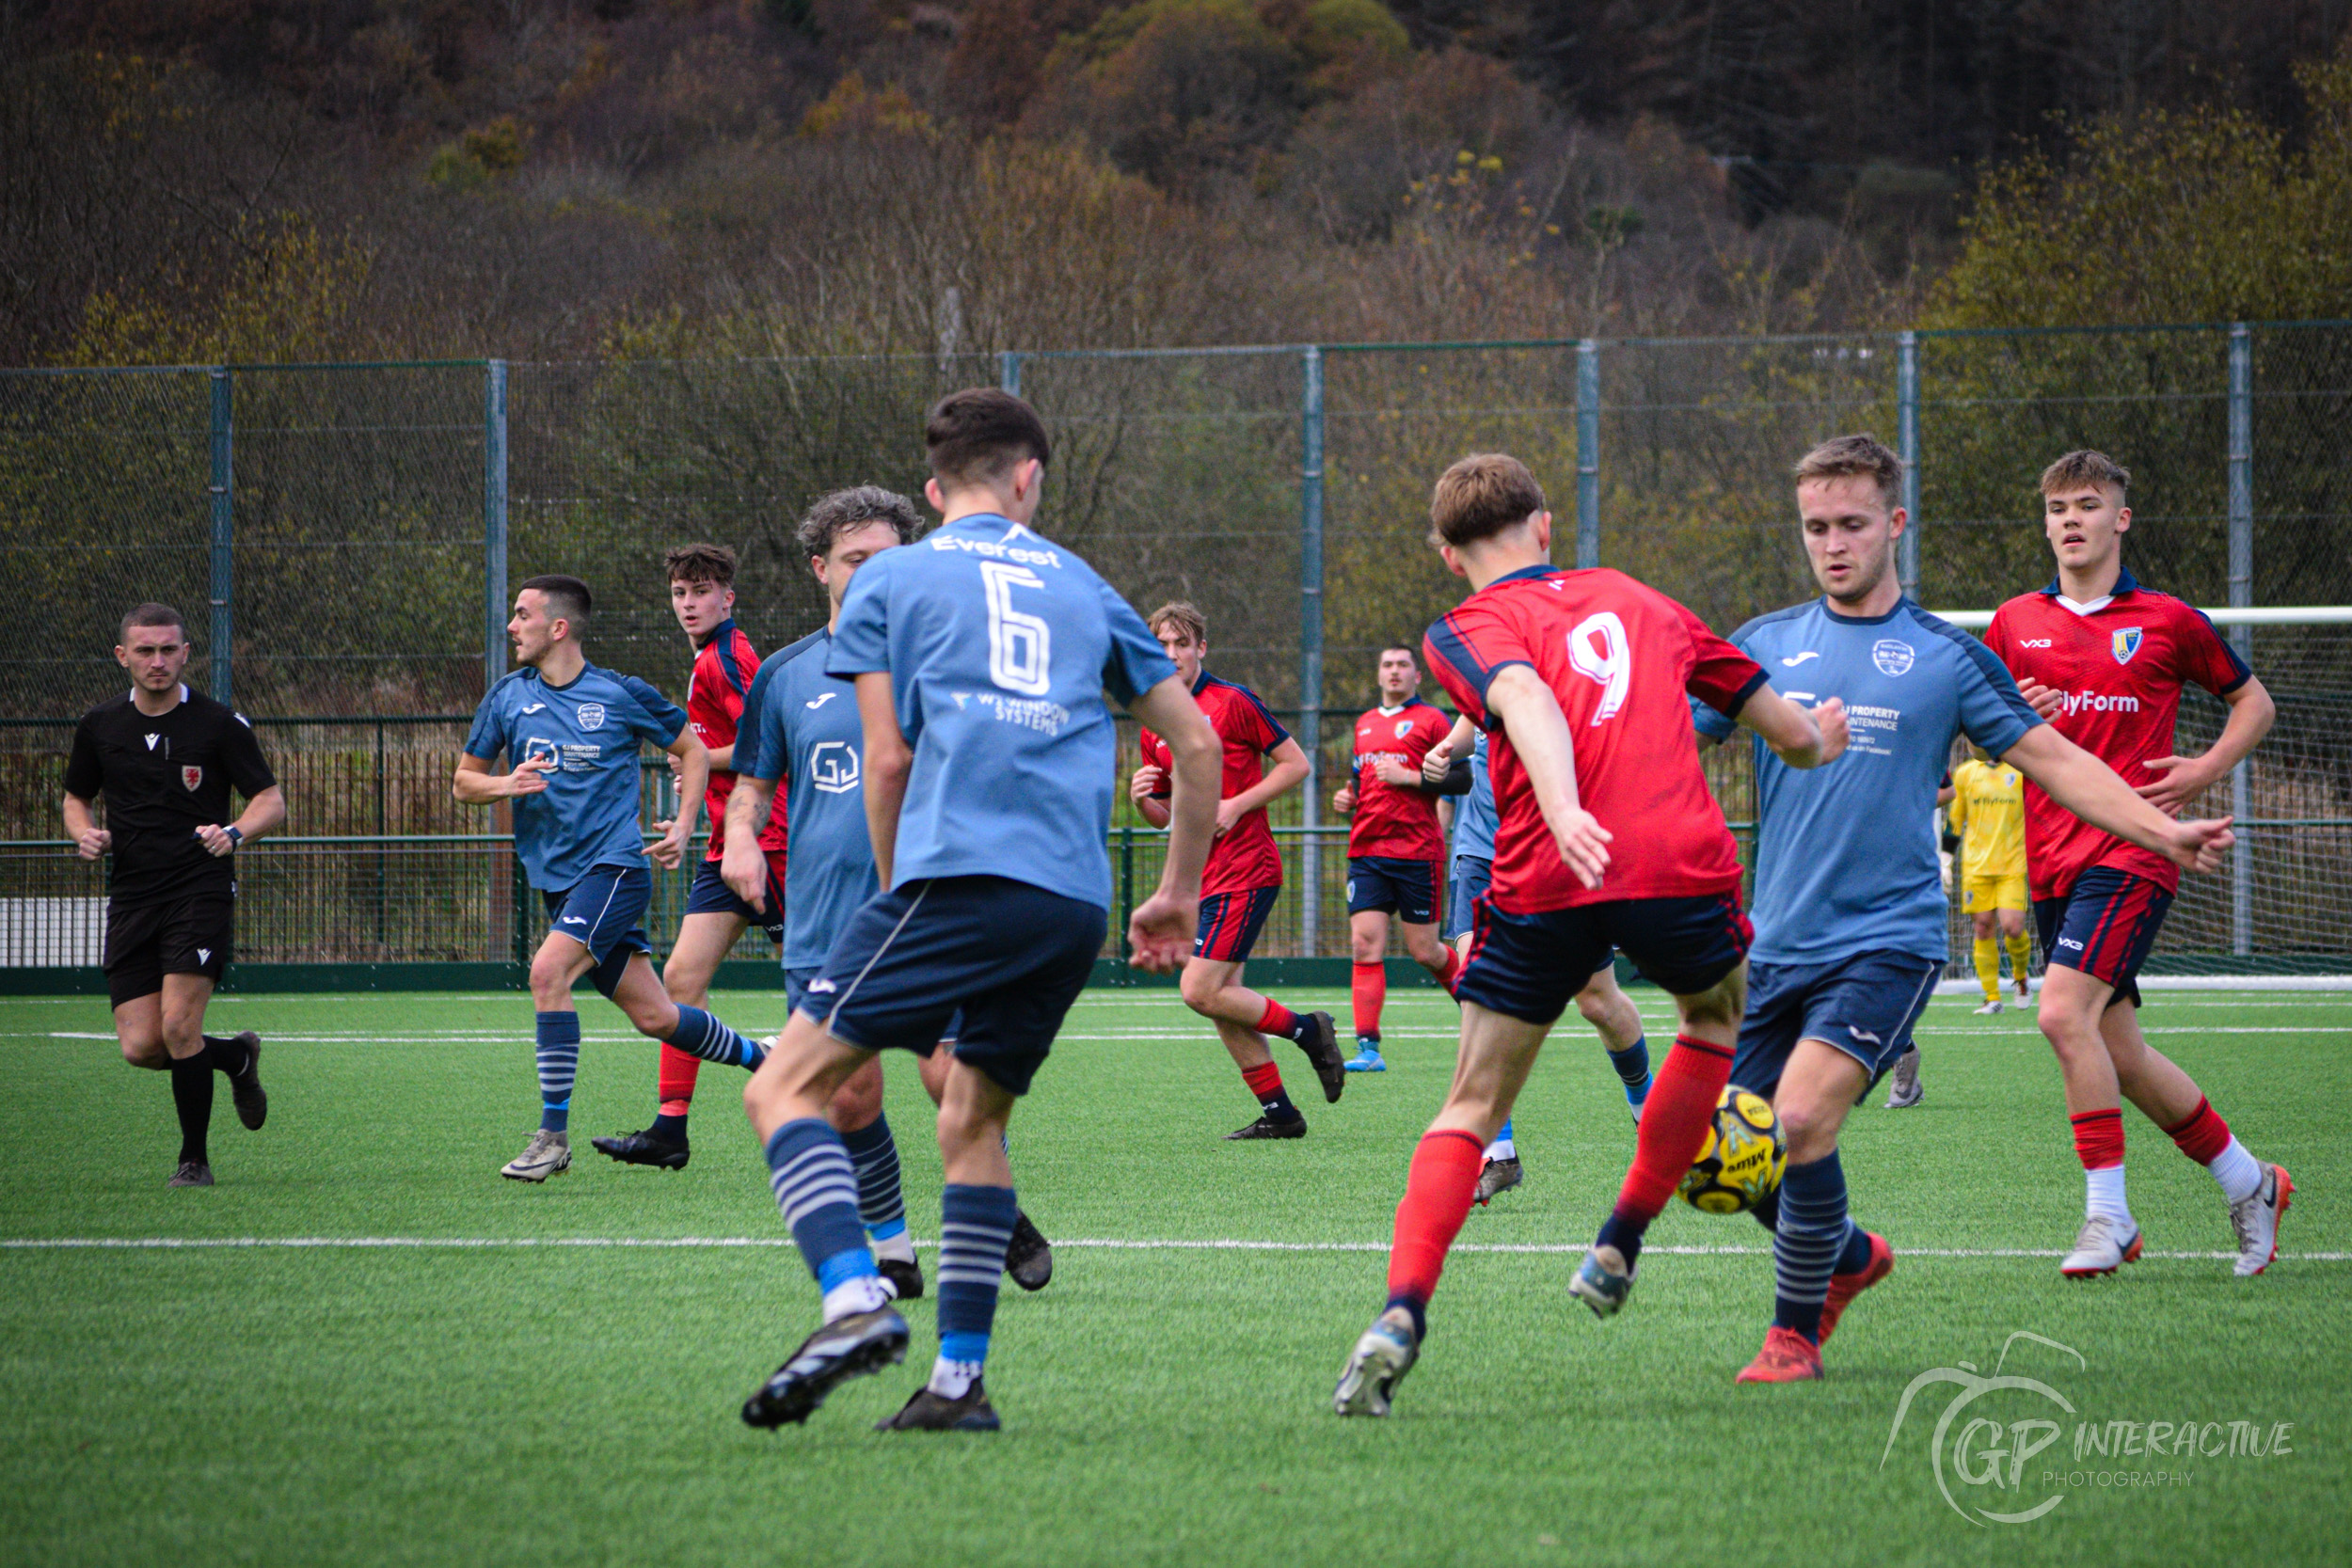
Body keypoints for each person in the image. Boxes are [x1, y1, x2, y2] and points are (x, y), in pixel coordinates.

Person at [1692, 435, 2235, 1385]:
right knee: (1723, 1158)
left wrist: (2158, 828)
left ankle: (1792, 1334)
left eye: (1852, 523)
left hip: (1886, 941)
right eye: (1816, 526)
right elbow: (1662, 736)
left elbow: (2057, 762)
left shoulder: (1945, 655)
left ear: (1893, 523)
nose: (1832, 543)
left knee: (1801, 1120)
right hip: (1773, 943)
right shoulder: (1762, 643)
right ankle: (1849, 1253)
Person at [736, 388, 1222, 1434]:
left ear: (930, 488)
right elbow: (1195, 746)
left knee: (781, 1087)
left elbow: (889, 757)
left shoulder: (890, 577)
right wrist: (1174, 894)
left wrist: (893, 890)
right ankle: (958, 1383)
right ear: (1028, 478)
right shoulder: (1087, 585)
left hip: (953, 879)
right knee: (970, 1120)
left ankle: (857, 1300)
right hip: (1070, 904)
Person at [1332, 453, 1842, 1417]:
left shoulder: (1463, 626)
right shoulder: (1645, 599)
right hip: (1678, 862)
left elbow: (1521, 695)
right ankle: (1622, 1234)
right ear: (1547, 525)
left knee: (1469, 1105)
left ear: (1448, 555)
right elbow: (1786, 731)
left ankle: (1401, 1309)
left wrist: (1563, 810)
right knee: (1709, 1022)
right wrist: (1822, 735)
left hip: (1547, 873)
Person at [1992, 449, 2287, 1279]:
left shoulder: (2166, 618)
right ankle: (2250, 1180)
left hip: (2136, 849)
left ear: (2120, 518)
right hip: (2049, 855)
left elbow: (2253, 702)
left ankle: (2109, 1217)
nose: (2070, 521)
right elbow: (1991, 730)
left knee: (2058, 1014)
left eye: (2088, 505)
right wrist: (2017, 712)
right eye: (2057, 508)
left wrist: (2201, 770)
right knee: (2116, 1052)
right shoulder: (2015, 620)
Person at [454, 575, 770, 1181]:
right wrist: (506, 783)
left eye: (523, 615)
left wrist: (682, 825)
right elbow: (464, 782)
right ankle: (766, 1059)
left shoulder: (618, 694)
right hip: (558, 881)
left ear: (559, 627)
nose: (513, 626)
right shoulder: (506, 698)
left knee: (547, 972)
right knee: (656, 1016)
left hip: (615, 870)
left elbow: (695, 750)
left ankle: (551, 1138)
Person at [62, 604, 286, 1187]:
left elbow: (270, 801)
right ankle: (235, 1058)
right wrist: (84, 833)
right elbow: (75, 798)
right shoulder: (99, 726)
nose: (157, 661)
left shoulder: (218, 724)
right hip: (133, 895)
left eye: (168, 650)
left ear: (186, 653)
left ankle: (194, 1161)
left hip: (199, 889)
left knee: (180, 1028)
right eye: (145, 651)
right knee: (142, 1046)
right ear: (122, 657)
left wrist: (234, 832)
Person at [593, 543, 792, 1169]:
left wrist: (700, 760)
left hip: (772, 840)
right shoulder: (708, 656)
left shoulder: (728, 657)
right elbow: (727, 744)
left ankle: (829, 1113)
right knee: (680, 983)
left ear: (727, 598)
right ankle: (669, 1129)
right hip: (726, 847)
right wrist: (698, 767)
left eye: (701, 591)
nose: (689, 603)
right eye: (680, 592)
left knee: (824, 991)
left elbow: (769, 741)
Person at [1129, 601, 1343, 1139]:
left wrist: (1239, 803)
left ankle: (1309, 1030)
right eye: (1162, 646)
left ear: (1201, 648)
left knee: (1199, 990)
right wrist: (1143, 805)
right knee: (1227, 1003)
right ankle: (1281, 1115)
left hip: (1246, 869)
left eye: (1183, 644)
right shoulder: (1153, 718)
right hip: (1199, 878)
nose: (1172, 654)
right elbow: (1168, 817)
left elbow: (1297, 764)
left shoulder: (1233, 701)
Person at [1428, 718, 1654, 1205]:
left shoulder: (1577, 666)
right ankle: (1499, 1153)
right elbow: (1473, 721)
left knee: (1598, 1002)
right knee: (1477, 993)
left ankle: (1647, 1113)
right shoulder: (1489, 658)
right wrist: (1447, 747)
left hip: (1556, 853)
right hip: (1483, 855)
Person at [1331, 644, 1461, 1070]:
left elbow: (1462, 777)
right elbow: (1359, 780)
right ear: (1379, 673)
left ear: (1416, 675)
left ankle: (1485, 1006)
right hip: (1367, 851)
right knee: (1364, 944)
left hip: (1416, 850)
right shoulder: (1365, 723)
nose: (1394, 672)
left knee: (1425, 951)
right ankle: (1368, 1049)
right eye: (1387, 664)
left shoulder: (1433, 720)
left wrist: (1409, 776)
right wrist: (1348, 798)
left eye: (1403, 665)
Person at [1948, 742, 2033, 1019]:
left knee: (2012, 927)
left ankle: (2021, 977)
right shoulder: (1965, 773)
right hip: (1976, 867)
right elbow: (1955, 821)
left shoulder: (2021, 773)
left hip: (2012, 864)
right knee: (1983, 928)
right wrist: (1944, 859)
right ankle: (1992, 998)